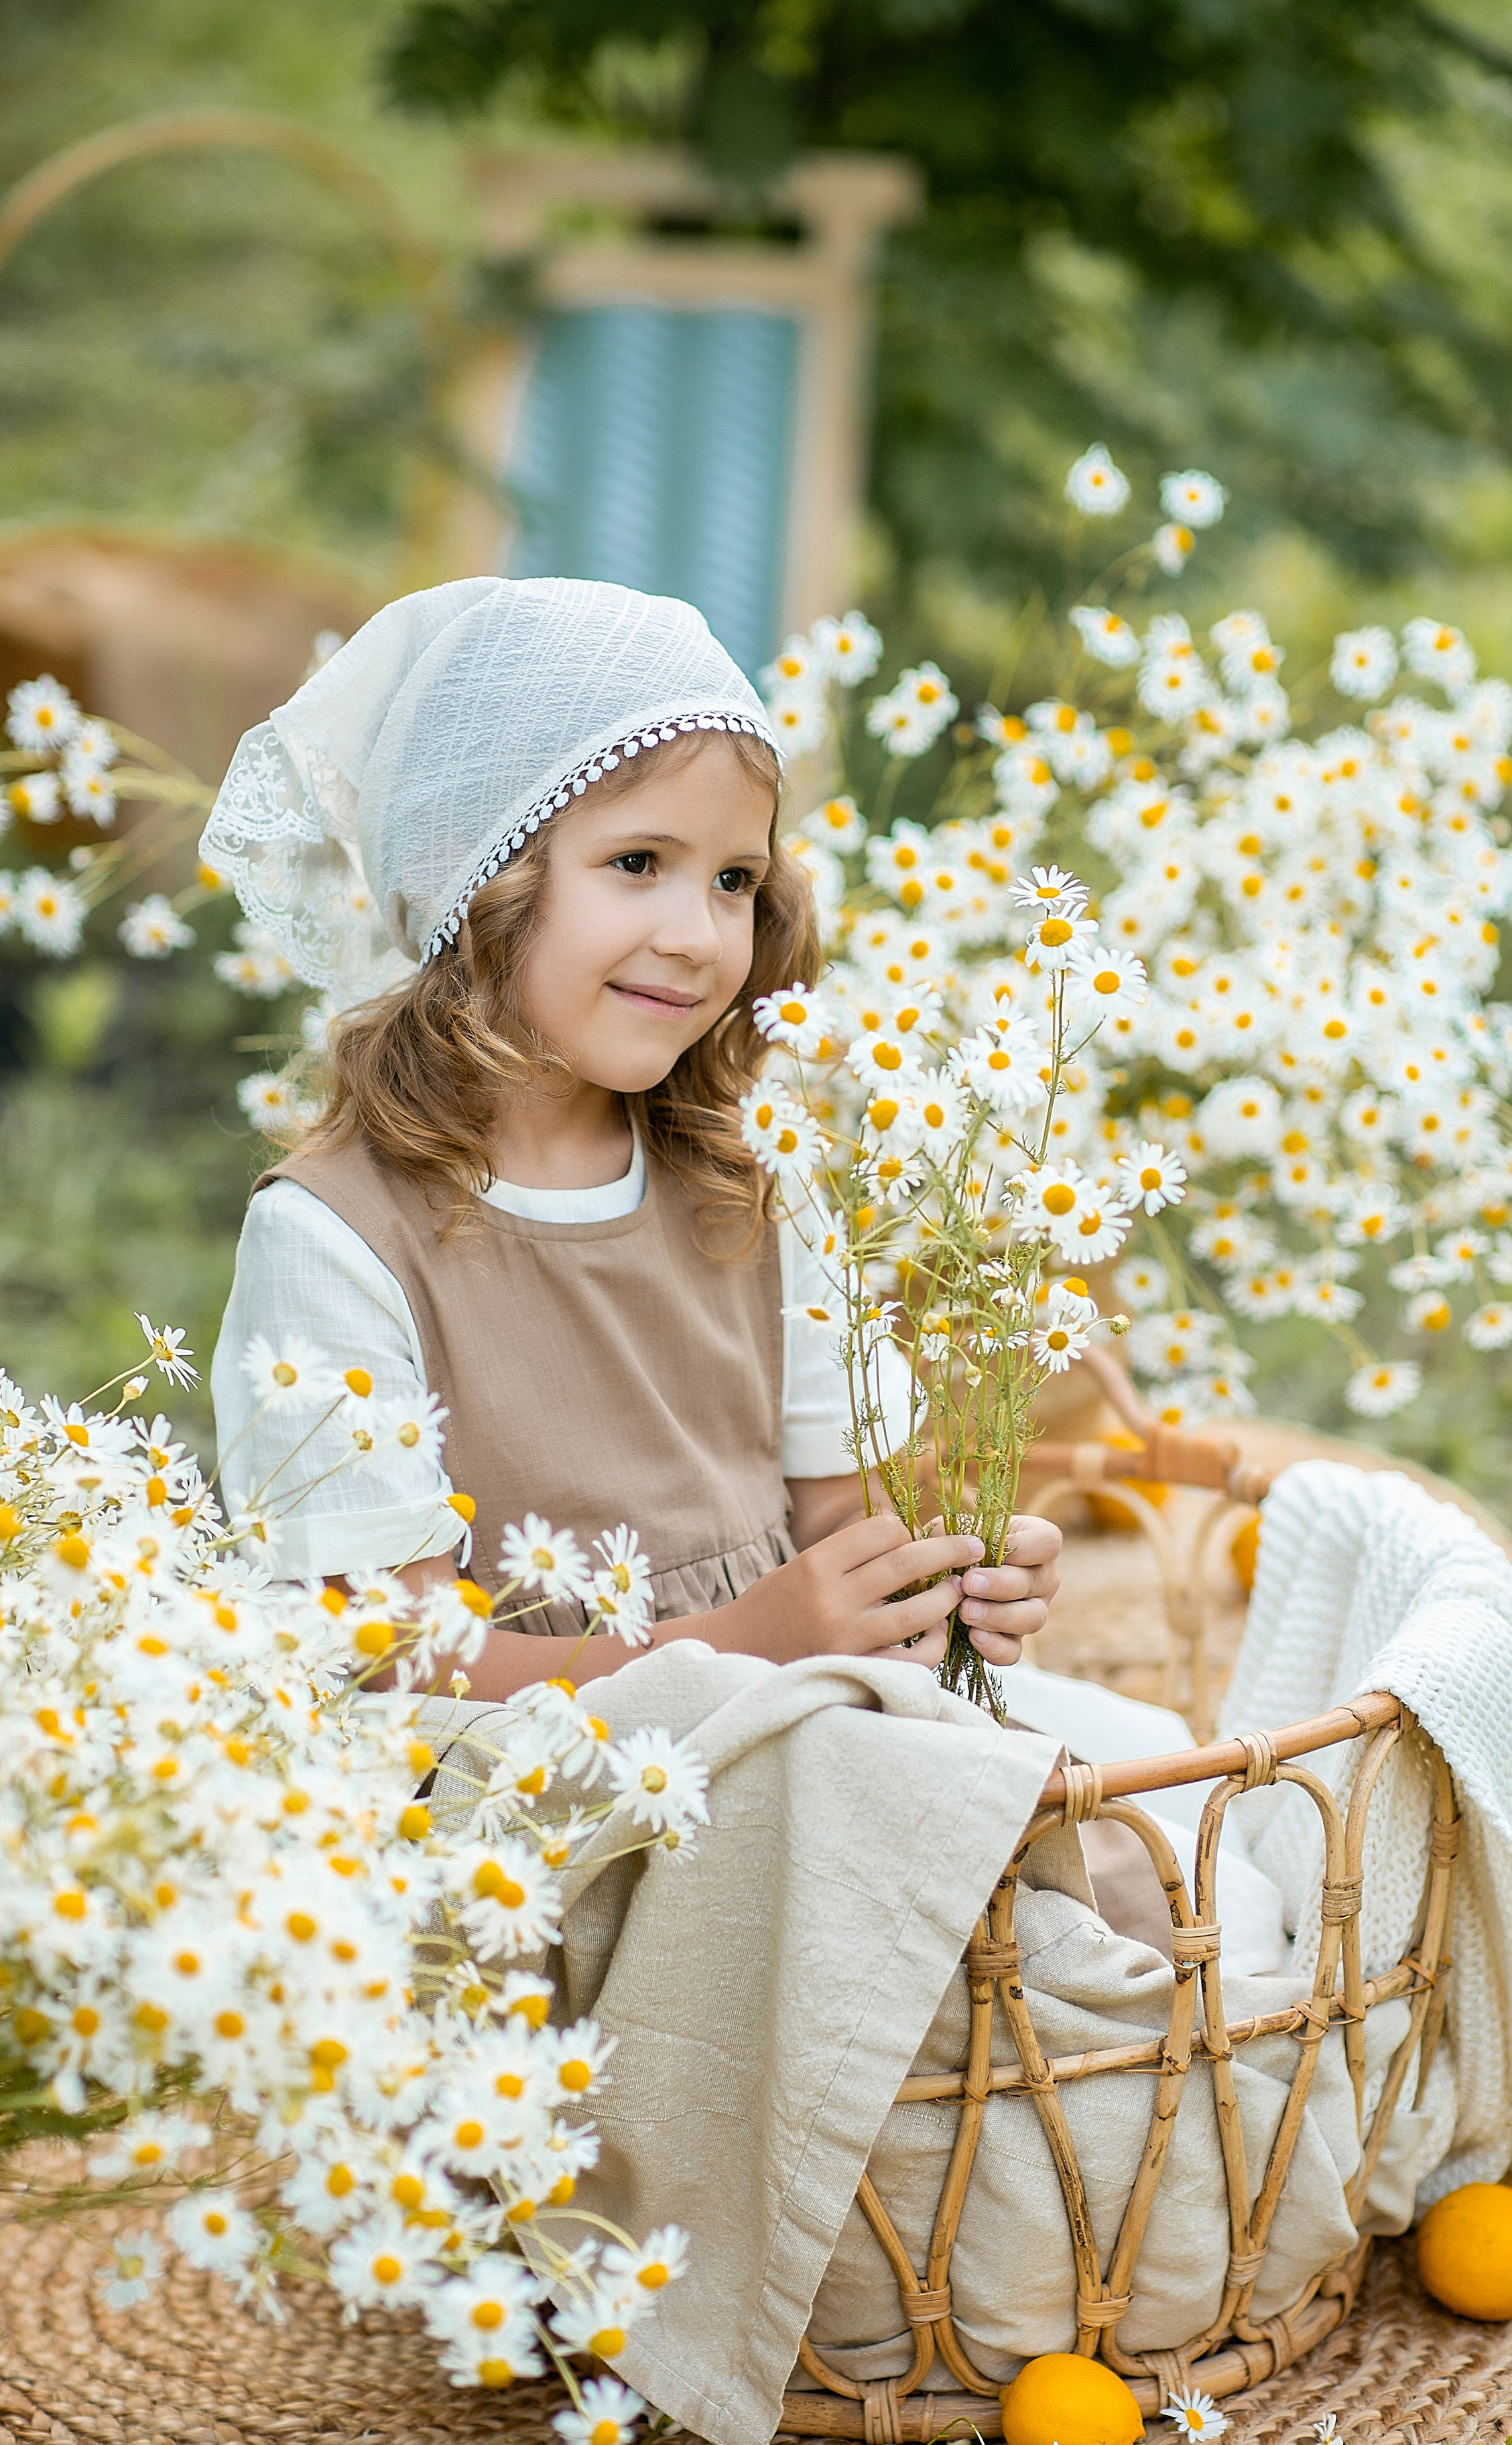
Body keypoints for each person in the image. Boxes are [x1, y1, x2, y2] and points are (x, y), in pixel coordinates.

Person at [207, 576, 1065, 1696]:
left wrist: (950, 1566)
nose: (701, 935)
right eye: (637, 864)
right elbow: (390, 1649)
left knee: (1158, 1818)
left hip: (808, 1719)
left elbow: (844, 1506)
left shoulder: (749, 1184)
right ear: (471, 879)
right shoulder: (338, 1236)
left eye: (735, 880)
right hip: (557, 1798)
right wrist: (737, 1648)